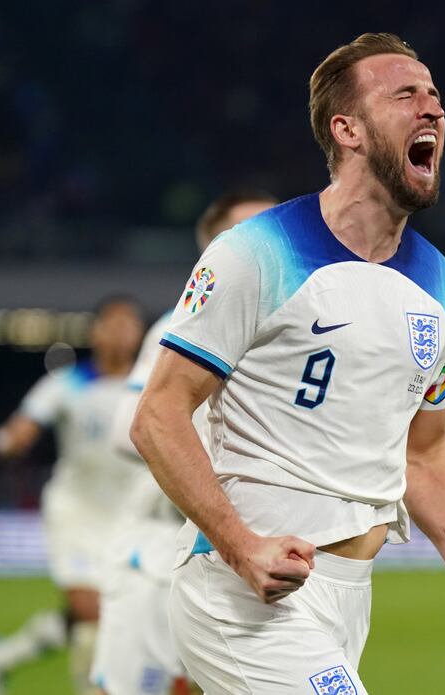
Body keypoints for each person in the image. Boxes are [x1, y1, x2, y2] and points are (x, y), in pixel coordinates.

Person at [131, 33, 445, 694]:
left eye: (435, 97)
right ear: (348, 130)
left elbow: (423, 454)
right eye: (406, 95)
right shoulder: (256, 252)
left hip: (346, 598)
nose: (432, 110)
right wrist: (240, 544)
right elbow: (158, 414)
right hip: (241, 590)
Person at [90, 190, 277, 695]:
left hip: (227, 550)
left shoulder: (285, 337)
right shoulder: (183, 326)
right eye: (249, 233)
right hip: (154, 550)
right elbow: (130, 430)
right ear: (214, 250)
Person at [0, 297, 146, 695]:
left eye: (130, 323)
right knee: (92, 612)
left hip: (130, 516)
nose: (122, 331)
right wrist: (9, 441)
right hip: (77, 513)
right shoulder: (67, 383)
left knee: (110, 616)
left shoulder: (151, 383)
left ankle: (6, 656)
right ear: (96, 332)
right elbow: (24, 425)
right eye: (114, 323)